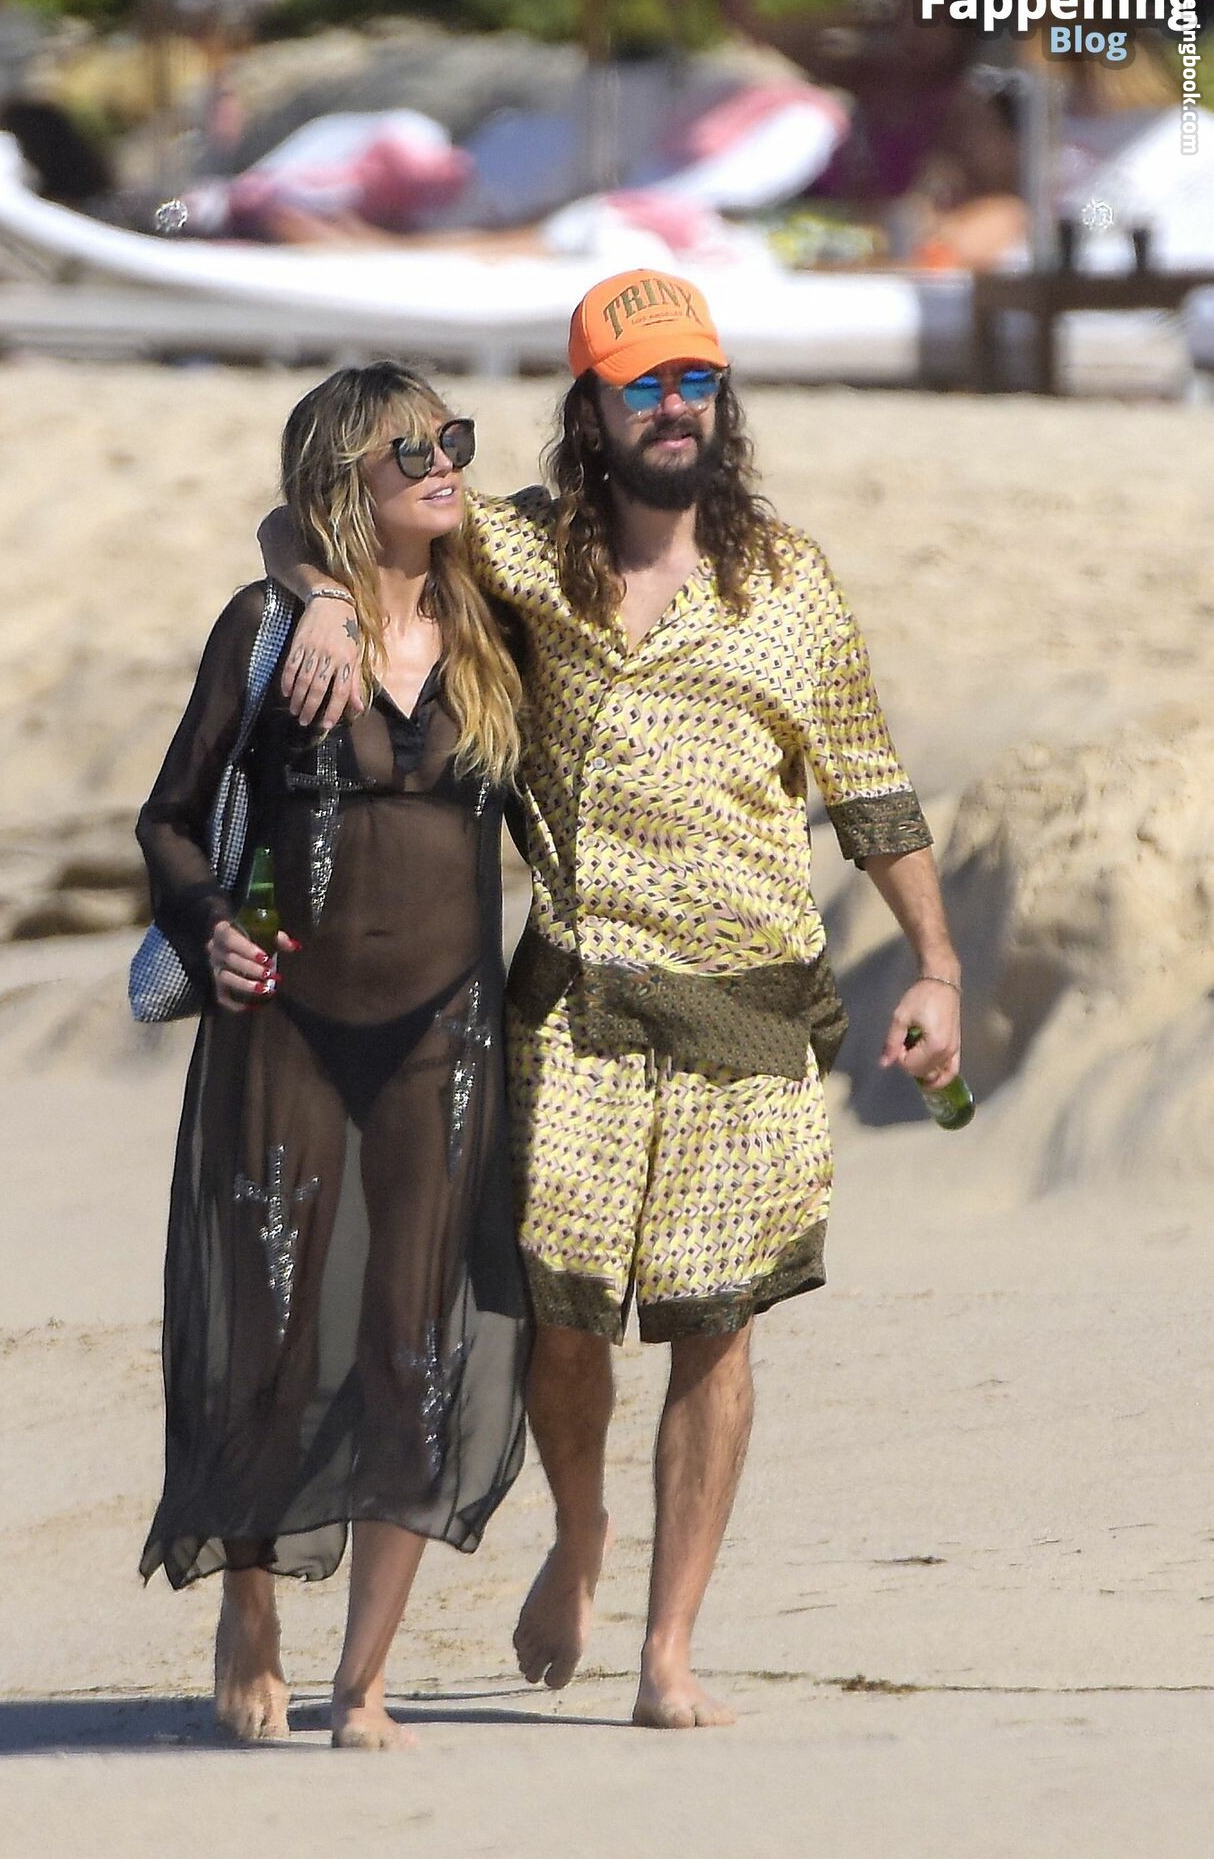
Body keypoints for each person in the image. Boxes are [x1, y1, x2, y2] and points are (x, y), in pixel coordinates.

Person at [261, 269, 964, 1732]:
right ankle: (579, 1530)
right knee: (564, 1320)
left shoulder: (791, 582)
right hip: (575, 1005)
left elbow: (871, 785)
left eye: (695, 380)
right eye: (642, 385)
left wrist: (937, 967)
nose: (674, 407)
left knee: (717, 1329)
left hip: (750, 1016)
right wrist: (320, 600)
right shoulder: (518, 552)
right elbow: (315, 515)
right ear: (589, 409)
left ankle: (668, 1648)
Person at [135, 363, 529, 1750]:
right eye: (409, 450)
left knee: (416, 1340)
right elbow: (169, 817)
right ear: (341, 483)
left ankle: (363, 1678)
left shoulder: (496, 619)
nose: (445, 463)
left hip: (446, 1031)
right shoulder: (267, 629)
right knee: (270, 1324)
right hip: (284, 1025)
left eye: (452, 438)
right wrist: (206, 928)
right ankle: (249, 1606)